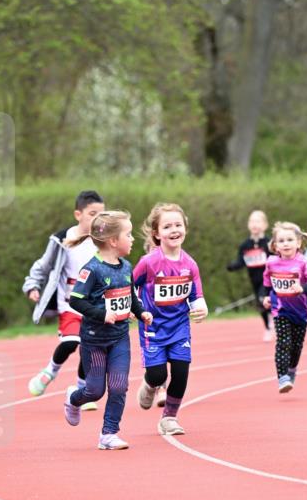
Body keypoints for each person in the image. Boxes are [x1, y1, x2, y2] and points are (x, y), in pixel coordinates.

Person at [63, 211, 152, 450]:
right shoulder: (92, 270)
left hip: (119, 338)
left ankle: (109, 433)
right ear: (113, 241)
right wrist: (101, 314)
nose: (132, 239)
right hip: (94, 340)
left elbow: (130, 296)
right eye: (128, 234)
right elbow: (76, 300)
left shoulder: (126, 267)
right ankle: (73, 398)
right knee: (94, 391)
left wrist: (141, 312)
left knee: (119, 385)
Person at [23, 191, 104, 403]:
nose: (98, 219)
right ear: (78, 214)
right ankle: (50, 371)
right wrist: (32, 286)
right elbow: (43, 265)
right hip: (69, 305)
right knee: (71, 342)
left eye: (102, 215)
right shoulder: (62, 240)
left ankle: (82, 390)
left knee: (89, 348)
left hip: (94, 307)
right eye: (92, 214)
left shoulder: (104, 241)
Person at [133, 203, 208, 436]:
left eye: (178, 225)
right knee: (158, 375)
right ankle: (149, 384)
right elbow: (130, 285)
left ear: (185, 228)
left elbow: (196, 295)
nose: (174, 230)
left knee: (181, 372)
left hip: (179, 327)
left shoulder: (190, 265)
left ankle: (169, 418)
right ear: (157, 233)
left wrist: (201, 308)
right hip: (152, 326)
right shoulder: (148, 262)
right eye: (167, 226)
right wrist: (133, 307)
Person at [262, 222, 307, 393]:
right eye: (281, 241)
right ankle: (282, 378)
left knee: (296, 346)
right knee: (283, 342)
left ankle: (292, 369)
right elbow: (267, 282)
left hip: (300, 311)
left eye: (289, 240)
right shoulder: (271, 262)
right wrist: (266, 296)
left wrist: (302, 288)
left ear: (298, 243)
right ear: (275, 245)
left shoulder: (303, 262)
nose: (286, 244)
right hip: (280, 309)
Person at [227, 210, 273, 341]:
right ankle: (268, 327)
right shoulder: (245, 245)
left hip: (269, 279)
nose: (254, 224)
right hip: (254, 279)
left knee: (263, 299)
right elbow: (241, 261)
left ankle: (273, 323)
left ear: (265, 225)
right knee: (261, 304)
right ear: (248, 225)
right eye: (252, 221)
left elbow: (276, 259)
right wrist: (232, 266)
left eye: (258, 221)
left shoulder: (269, 243)